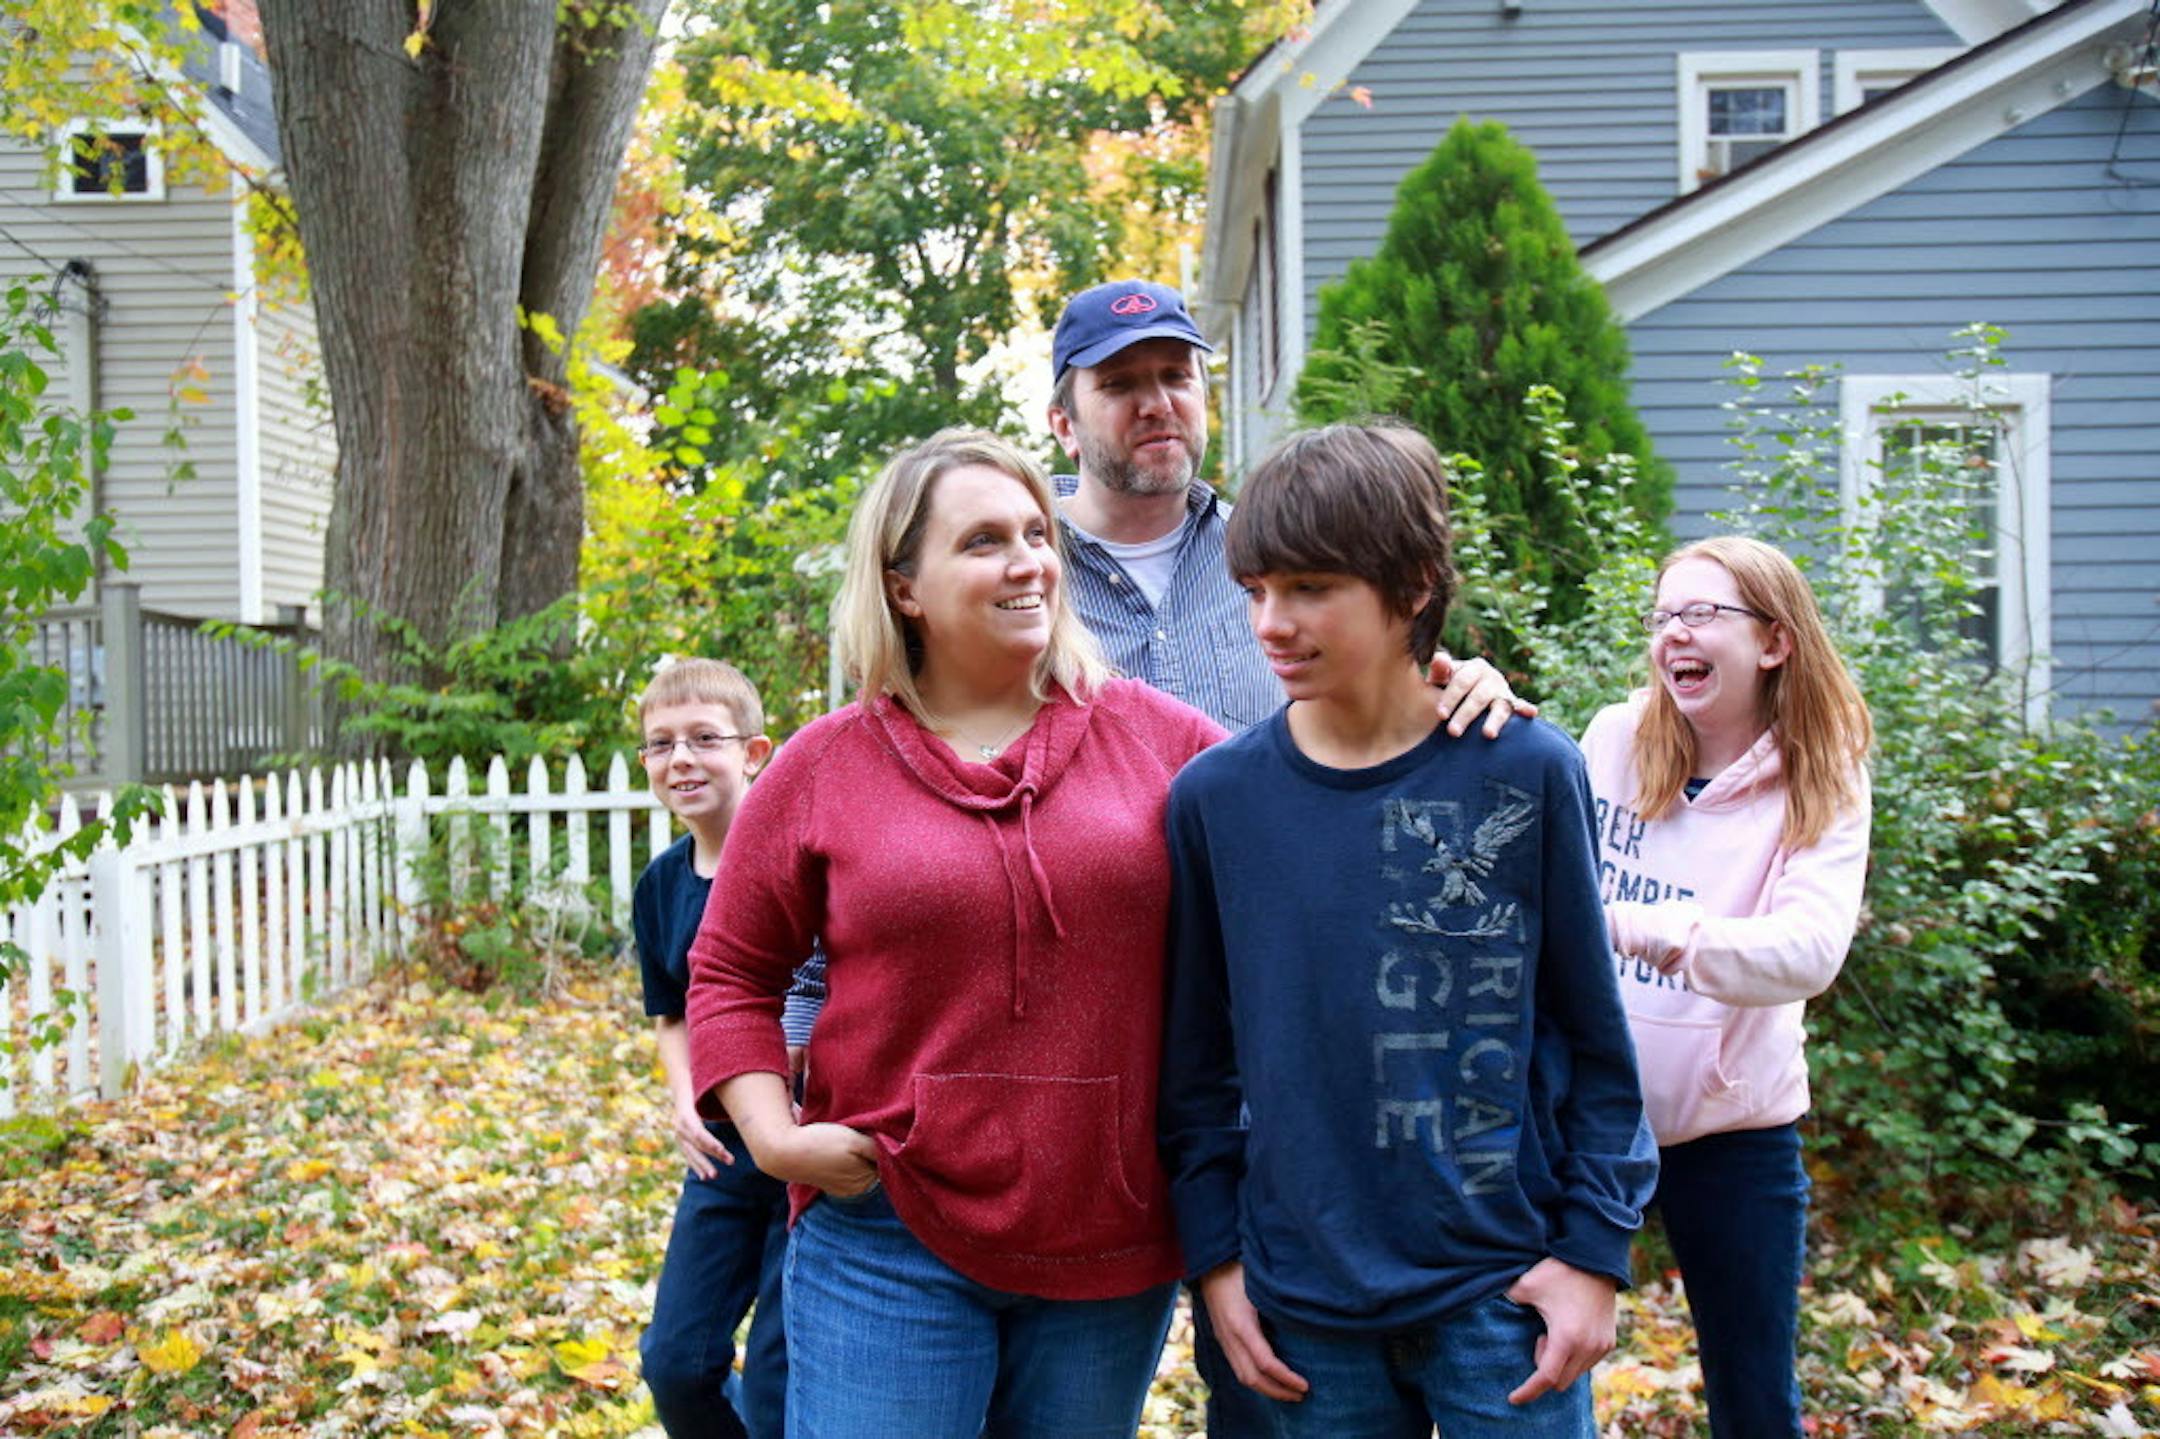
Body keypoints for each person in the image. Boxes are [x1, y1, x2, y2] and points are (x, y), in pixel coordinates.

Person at [1046, 278, 1529, 1437]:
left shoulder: (1281, 539)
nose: (1155, 402)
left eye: (1175, 374)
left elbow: (1382, 701)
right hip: (1086, 1062)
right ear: (1064, 419)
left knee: (1290, 1369)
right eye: (1118, 383)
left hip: (1295, 1083)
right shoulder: (1020, 569)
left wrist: (1461, 681)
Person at [685, 429, 1227, 1439]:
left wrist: (1431, 691)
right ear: (904, 588)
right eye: (984, 540)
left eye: (1037, 532)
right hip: (884, 1230)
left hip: (1105, 1242)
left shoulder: (1161, 740)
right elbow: (729, 969)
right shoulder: (824, 765)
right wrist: (772, 1135)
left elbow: (1322, 787)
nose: (1029, 560)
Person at [1158, 422, 1658, 1439]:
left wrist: (1595, 1255)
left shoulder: (1523, 770)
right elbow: (1195, 1069)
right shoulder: (1216, 799)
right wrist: (1216, 1261)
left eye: (1309, 588)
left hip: (1504, 1298)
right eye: (1256, 589)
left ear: (1414, 584)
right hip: (1302, 1311)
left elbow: (1596, 1039)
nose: (1272, 622)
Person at [1578, 534, 1872, 1438]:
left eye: (1702, 613)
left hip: (1734, 1132)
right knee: (1530, 1367)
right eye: (1664, 615)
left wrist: (1640, 927)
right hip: (1589, 1119)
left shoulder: (1823, 775)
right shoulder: (1617, 738)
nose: (1675, 634)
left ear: (1775, 639)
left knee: (1754, 1398)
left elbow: (1809, 949)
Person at [632, 658, 820, 1439]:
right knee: (676, 1363)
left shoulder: (802, 862)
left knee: (781, 1383)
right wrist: (685, 1100)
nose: (681, 759)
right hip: (720, 1153)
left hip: (807, 1150)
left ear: (754, 751)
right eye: (660, 744)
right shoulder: (660, 885)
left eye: (705, 738)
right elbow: (671, 1012)